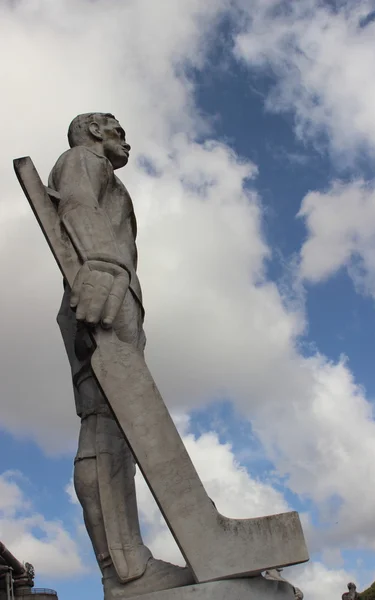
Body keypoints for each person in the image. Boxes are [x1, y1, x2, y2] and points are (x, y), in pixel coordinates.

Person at [48, 113, 194, 599]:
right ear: (93, 131)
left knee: (112, 425)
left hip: (110, 289)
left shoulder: (95, 166)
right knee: (107, 422)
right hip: (103, 289)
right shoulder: (82, 160)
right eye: (116, 128)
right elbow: (75, 205)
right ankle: (127, 570)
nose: (124, 138)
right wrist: (104, 264)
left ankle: (125, 566)